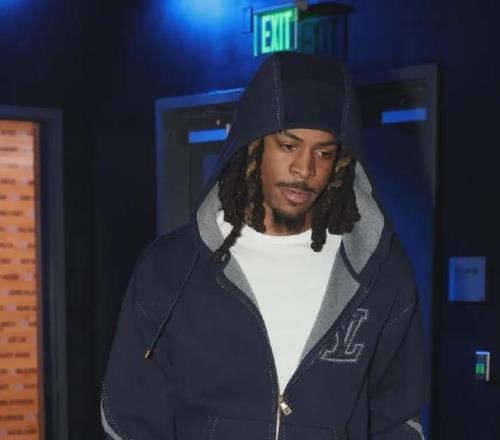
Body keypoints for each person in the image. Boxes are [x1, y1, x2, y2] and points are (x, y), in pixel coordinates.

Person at [101, 51, 429, 440]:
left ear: (341, 163)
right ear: (252, 147)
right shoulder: (170, 268)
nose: (305, 169)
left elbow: (398, 420)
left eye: (324, 153)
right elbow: (129, 419)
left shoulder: (379, 271)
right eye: (288, 146)